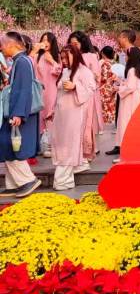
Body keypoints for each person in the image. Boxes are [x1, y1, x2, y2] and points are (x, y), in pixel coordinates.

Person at [0, 32, 42, 198]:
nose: (1, 48)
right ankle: (13, 184)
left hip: (19, 113)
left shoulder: (22, 62)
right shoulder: (20, 61)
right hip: (17, 111)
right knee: (8, 145)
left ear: (12, 44)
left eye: (2, 44)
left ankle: (27, 180)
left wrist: (18, 114)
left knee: (11, 145)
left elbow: (24, 90)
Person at [50, 46, 97, 191]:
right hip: (61, 114)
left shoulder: (84, 71)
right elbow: (59, 93)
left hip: (74, 114)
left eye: (66, 57)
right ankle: (67, 175)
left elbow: (91, 89)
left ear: (75, 56)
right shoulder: (65, 71)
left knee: (69, 143)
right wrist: (53, 109)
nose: (63, 61)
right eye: (62, 58)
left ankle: (63, 180)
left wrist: (75, 86)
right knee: (60, 142)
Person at [112, 33, 140, 162]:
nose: (125, 58)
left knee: (126, 124)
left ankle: (126, 154)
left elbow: (130, 87)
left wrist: (119, 88)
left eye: (127, 56)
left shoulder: (132, 70)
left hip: (129, 99)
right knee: (128, 124)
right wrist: (121, 82)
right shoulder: (135, 70)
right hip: (132, 98)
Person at [68, 31, 101, 158]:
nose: (73, 46)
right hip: (72, 94)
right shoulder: (70, 55)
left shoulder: (90, 56)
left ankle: (86, 151)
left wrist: (83, 80)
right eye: (71, 44)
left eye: (76, 43)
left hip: (87, 95)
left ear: (83, 43)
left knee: (86, 123)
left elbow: (97, 78)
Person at [35, 32, 62, 155]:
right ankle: (41, 145)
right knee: (40, 116)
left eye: (48, 40)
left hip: (52, 90)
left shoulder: (57, 56)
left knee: (50, 115)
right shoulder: (37, 56)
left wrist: (51, 60)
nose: (45, 42)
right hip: (40, 90)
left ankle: (52, 145)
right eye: (43, 40)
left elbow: (59, 72)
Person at [98, 47, 118, 126]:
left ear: (102, 53)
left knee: (104, 106)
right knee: (110, 105)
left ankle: (103, 123)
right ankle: (109, 121)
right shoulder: (114, 63)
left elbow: (104, 77)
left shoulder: (104, 63)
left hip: (104, 87)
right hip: (112, 87)